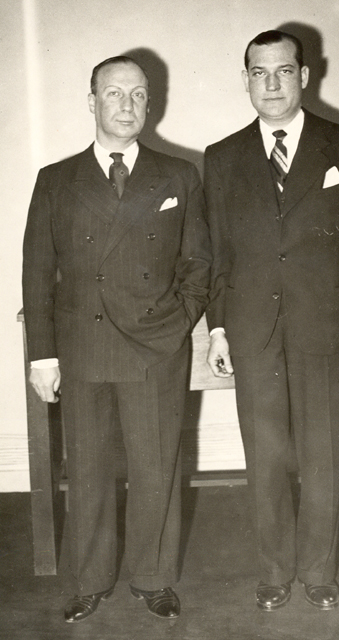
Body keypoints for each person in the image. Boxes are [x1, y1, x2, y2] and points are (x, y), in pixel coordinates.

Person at [22, 56, 211, 623]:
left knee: (157, 467)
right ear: (92, 101)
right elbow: (37, 272)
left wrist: (177, 323)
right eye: (113, 93)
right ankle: (91, 580)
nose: (126, 105)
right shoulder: (56, 179)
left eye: (138, 94)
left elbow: (199, 264)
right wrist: (43, 355)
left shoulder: (178, 174)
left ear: (150, 103)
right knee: (87, 470)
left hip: (157, 347)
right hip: (84, 346)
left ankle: (154, 578)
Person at [204, 30, 339, 611]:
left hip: (327, 332)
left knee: (324, 455)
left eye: (283, 71)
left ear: (304, 76)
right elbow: (218, 253)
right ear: (246, 80)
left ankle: (318, 572)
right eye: (259, 73)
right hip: (252, 331)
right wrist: (217, 328)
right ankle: (275, 571)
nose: (272, 84)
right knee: (265, 458)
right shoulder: (222, 157)